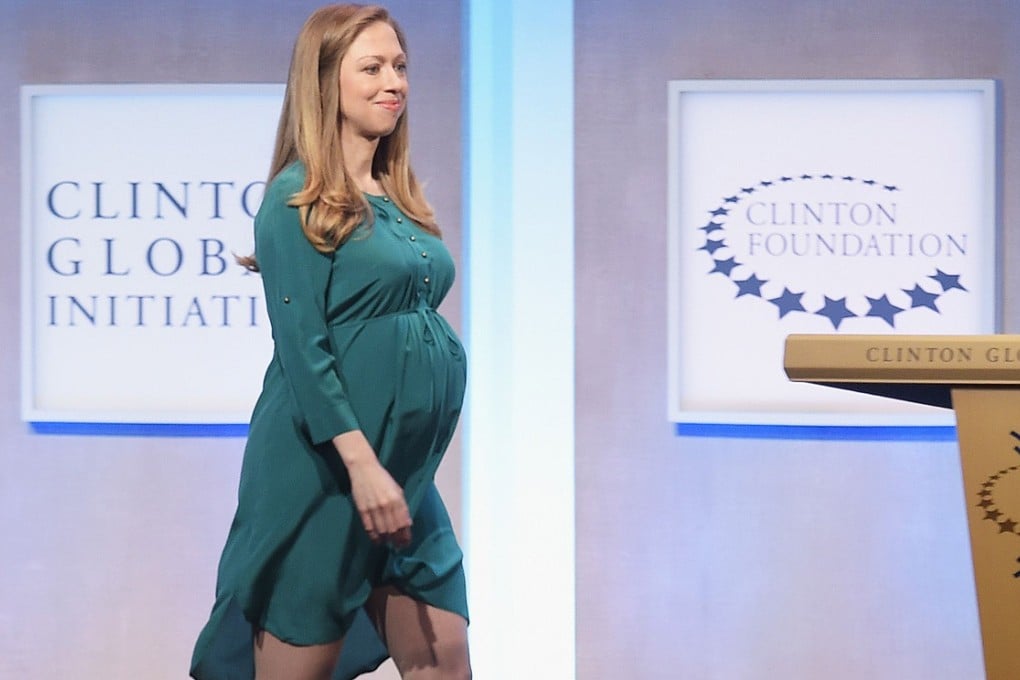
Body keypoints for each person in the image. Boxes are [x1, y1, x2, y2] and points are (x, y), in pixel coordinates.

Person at [190, 5, 471, 679]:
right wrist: (362, 467)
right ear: (324, 84)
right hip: (326, 473)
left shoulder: (396, 198)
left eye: (399, 66)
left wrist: (390, 467)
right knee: (299, 660)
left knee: (446, 657)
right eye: (371, 68)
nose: (393, 81)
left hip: (404, 472)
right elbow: (303, 350)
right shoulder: (296, 200)